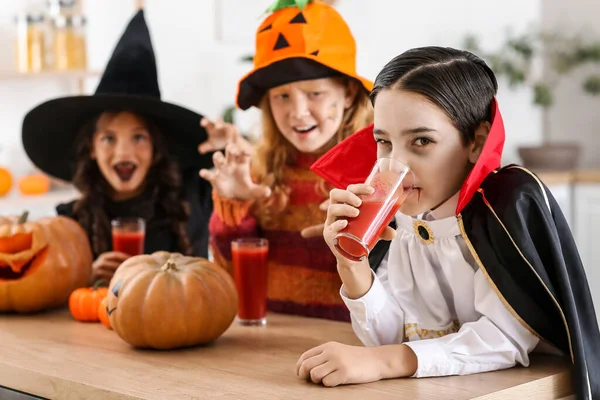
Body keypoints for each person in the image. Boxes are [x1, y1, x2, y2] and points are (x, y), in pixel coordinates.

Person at [296, 46, 600, 399]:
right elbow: (393, 338)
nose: (398, 164)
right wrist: (353, 266)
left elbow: (505, 338)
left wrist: (383, 363)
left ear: (477, 141)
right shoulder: (403, 221)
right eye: (384, 142)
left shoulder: (501, 210)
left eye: (421, 141)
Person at [200, 0, 373, 321]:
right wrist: (234, 205)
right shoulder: (257, 170)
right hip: (269, 337)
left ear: (348, 94)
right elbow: (229, 275)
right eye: (282, 96)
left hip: (348, 341)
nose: (297, 111)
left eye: (314, 93)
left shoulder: (376, 171)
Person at [22, 10, 221, 283]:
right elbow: (50, 294)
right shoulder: (71, 223)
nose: (124, 152)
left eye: (138, 137)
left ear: (156, 147)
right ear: (91, 148)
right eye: (108, 138)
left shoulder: (194, 199)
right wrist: (84, 276)